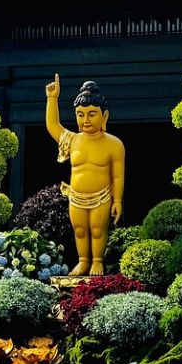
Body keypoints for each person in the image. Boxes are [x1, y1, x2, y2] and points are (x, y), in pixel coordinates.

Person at [45, 74, 125, 276]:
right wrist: (52, 99)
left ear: (104, 116)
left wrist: (117, 200)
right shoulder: (72, 140)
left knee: (98, 230)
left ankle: (97, 261)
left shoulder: (114, 144)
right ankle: (83, 261)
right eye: (80, 114)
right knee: (79, 230)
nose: (85, 119)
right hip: (76, 196)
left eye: (91, 114)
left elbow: (117, 176)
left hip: (102, 196)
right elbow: (53, 126)